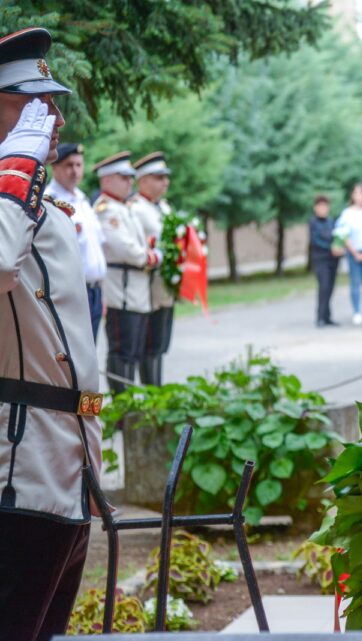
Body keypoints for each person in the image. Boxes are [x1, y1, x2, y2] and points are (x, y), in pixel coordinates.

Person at [0, 27, 104, 641]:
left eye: (52, 102)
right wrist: (13, 167)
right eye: (29, 103)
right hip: (20, 469)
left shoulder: (37, 198)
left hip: (69, 467)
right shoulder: (12, 191)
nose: (52, 118)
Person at [95, 151, 160, 393]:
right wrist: (151, 257)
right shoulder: (106, 210)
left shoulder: (124, 208)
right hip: (121, 293)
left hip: (136, 291)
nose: (129, 182)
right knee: (121, 353)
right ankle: (123, 407)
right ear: (107, 179)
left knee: (133, 351)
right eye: (124, 178)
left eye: (130, 178)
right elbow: (128, 250)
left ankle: (131, 404)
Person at [45, 142, 107, 340]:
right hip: (71, 293)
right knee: (72, 353)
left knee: (90, 353)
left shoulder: (82, 200)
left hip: (94, 291)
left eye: (79, 165)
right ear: (55, 168)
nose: (75, 171)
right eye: (69, 165)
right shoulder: (49, 201)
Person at [129, 151, 174, 385]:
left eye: (166, 177)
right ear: (143, 180)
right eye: (159, 177)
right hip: (147, 290)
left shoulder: (163, 207)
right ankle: (150, 393)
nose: (165, 182)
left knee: (160, 345)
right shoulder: (135, 209)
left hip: (165, 288)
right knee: (148, 345)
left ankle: (157, 389)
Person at [335, 183, 362, 325]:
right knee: (355, 283)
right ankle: (357, 311)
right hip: (353, 252)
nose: (359, 196)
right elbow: (342, 234)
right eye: (356, 193)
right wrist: (354, 252)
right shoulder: (347, 214)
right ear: (352, 195)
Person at [308, 193, 340, 327]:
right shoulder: (313, 222)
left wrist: (338, 247)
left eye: (325, 206)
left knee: (331, 287)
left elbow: (337, 237)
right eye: (320, 206)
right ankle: (320, 316)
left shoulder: (331, 221)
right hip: (321, 258)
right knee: (324, 286)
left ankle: (327, 316)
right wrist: (330, 247)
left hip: (333, 259)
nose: (323, 209)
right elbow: (315, 241)